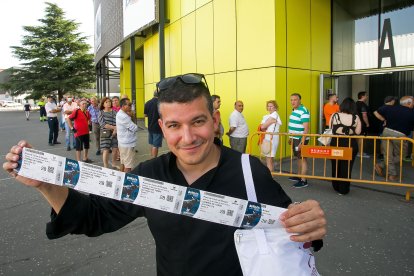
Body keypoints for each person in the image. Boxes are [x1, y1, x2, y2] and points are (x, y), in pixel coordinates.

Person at [4, 73, 326, 276]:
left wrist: (309, 222)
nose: (187, 137)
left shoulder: (249, 170)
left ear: (215, 121)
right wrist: (46, 184)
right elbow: (95, 216)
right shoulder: (149, 176)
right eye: (174, 125)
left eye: (197, 121)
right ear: (161, 128)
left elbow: (294, 229)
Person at [374, 96, 414, 181]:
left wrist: (383, 119)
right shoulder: (412, 113)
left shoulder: (391, 108)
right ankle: (390, 173)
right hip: (400, 136)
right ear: (409, 103)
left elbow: (376, 112)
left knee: (387, 154)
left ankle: (386, 169)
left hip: (386, 132)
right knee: (401, 155)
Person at [329, 98, 361, 195]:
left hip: (336, 143)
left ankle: (336, 186)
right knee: (347, 167)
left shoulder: (335, 115)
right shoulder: (356, 117)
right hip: (350, 144)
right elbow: (358, 132)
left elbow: (330, 128)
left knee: (335, 165)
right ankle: (344, 189)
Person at [288, 93, 310, 188]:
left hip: (300, 139)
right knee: (298, 157)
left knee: (303, 158)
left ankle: (304, 180)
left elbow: (306, 129)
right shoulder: (294, 110)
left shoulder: (303, 111)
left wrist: (302, 142)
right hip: (295, 138)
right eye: (291, 100)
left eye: (295, 100)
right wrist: (290, 137)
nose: (293, 102)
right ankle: (299, 175)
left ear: (300, 100)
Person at [260, 100, 282, 172]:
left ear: (275, 108)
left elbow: (263, 127)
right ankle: (271, 176)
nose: (269, 108)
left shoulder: (274, 115)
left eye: (271, 106)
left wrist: (266, 123)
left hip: (271, 138)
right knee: (270, 159)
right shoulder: (269, 116)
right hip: (269, 137)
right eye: (268, 106)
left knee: (269, 159)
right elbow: (262, 126)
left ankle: (270, 177)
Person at [116, 98, 138, 172]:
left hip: (123, 142)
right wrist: (131, 117)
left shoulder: (122, 113)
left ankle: (120, 178)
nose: (131, 106)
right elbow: (134, 128)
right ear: (123, 106)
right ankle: (125, 182)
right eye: (129, 105)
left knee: (123, 162)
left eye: (131, 105)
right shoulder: (123, 116)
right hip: (127, 143)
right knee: (128, 165)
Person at [99, 97, 118, 169]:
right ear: (103, 104)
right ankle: (105, 166)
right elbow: (103, 124)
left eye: (109, 102)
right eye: (106, 102)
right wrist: (114, 128)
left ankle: (114, 163)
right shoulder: (101, 112)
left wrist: (115, 130)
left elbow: (117, 122)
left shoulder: (115, 112)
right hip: (105, 133)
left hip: (115, 133)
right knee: (106, 150)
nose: (108, 103)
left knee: (115, 149)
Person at [144, 90, 163, 158]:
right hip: (157, 127)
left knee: (152, 144)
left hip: (150, 127)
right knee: (156, 145)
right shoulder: (160, 103)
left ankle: (152, 157)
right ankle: (154, 159)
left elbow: (145, 115)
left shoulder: (147, 103)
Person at [356, 91, 370, 158]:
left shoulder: (355, 104)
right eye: (366, 95)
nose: (367, 97)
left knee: (357, 138)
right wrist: (367, 124)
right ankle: (360, 153)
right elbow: (364, 115)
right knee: (361, 138)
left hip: (356, 123)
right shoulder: (363, 105)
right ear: (362, 96)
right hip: (362, 124)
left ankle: (358, 151)